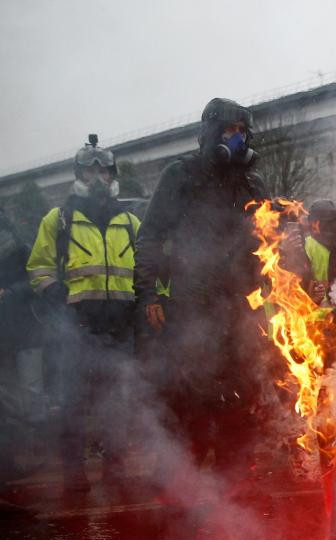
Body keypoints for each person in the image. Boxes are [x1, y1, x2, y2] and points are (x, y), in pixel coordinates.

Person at [133, 98, 271, 481]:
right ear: (210, 134)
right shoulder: (181, 175)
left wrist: (271, 287)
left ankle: (235, 489)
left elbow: (267, 243)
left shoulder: (252, 181)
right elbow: (149, 237)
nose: (238, 139)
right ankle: (184, 489)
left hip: (241, 310)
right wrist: (149, 294)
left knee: (241, 401)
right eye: (229, 131)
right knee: (190, 397)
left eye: (243, 131)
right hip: (191, 306)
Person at [26, 135, 140, 487]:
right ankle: (74, 472)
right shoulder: (58, 220)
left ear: (112, 176)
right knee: (73, 402)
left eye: (103, 173)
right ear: (78, 175)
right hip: (74, 329)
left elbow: (147, 269)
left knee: (116, 403)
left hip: (119, 327)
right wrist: (54, 293)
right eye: (90, 173)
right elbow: (38, 267)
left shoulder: (130, 222)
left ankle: (116, 467)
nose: (98, 180)